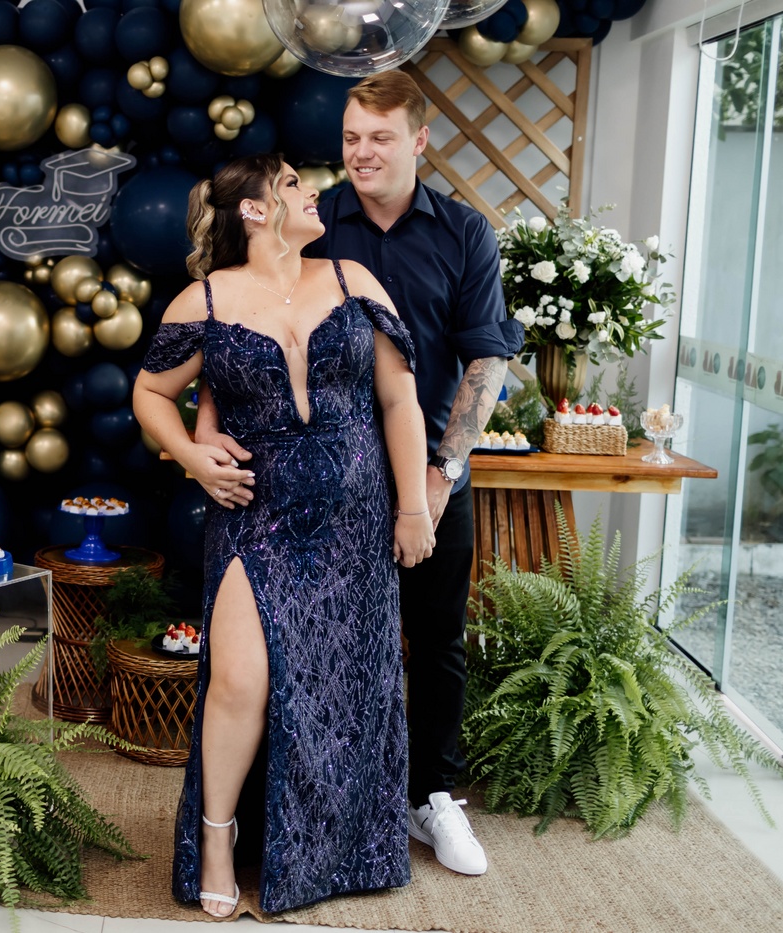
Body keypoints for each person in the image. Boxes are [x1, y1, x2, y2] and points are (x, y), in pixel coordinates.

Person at [194, 71, 524, 878]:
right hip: (317, 486)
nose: (361, 152)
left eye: (380, 137)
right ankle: (302, 810)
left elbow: (487, 358)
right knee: (314, 650)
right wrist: (204, 430)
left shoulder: (464, 233)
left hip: (430, 472)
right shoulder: (311, 222)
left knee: (435, 636)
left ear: (419, 140)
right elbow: (234, 317)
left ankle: (433, 795)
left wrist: (440, 473)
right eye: (350, 138)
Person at [133, 152, 435, 918]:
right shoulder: (204, 300)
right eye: (294, 184)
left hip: (355, 520)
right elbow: (151, 391)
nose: (314, 193)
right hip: (254, 515)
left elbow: (399, 400)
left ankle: (333, 848)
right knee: (239, 680)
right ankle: (217, 836)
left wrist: (413, 506)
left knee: (347, 685)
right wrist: (192, 456)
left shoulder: (352, 281)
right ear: (255, 209)